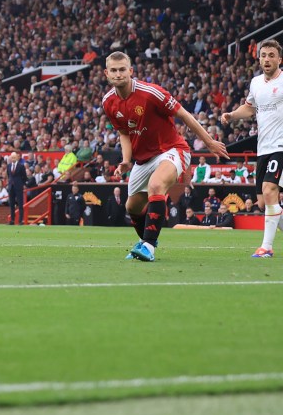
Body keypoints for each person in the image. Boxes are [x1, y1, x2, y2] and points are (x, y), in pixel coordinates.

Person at [102, 51, 228, 261]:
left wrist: (209, 142)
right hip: (143, 159)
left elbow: (184, 114)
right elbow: (123, 132)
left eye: (122, 69)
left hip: (172, 149)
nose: (118, 74)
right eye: (113, 70)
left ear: (130, 71)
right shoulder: (108, 102)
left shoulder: (151, 93)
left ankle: (149, 247)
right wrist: (126, 160)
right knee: (131, 207)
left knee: (156, 186)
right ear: (106, 73)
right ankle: (146, 240)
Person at [221, 39, 283, 257]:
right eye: (264, 55)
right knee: (263, 202)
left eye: (271, 55)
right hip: (263, 148)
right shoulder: (256, 83)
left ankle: (266, 248)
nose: (267, 59)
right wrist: (232, 115)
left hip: (280, 147)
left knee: (269, 190)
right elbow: (249, 108)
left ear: (279, 59)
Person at [6, 152, 27, 225]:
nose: (13, 159)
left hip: (18, 186)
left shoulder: (21, 166)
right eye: (12, 157)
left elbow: (24, 177)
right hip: (11, 186)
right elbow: (9, 176)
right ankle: (12, 220)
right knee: (11, 204)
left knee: (20, 204)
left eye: (14, 157)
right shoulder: (8, 166)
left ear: (17, 158)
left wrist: (22, 184)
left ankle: (20, 220)